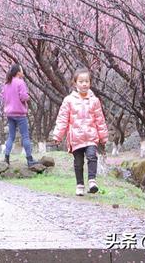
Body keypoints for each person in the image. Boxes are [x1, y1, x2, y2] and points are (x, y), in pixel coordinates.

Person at [51, 67, 109, 196]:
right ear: (75, 83)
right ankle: (80, 184)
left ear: (90, 83)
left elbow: (100, 120)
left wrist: (103, 136)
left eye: (87, 81)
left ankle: (92, 181)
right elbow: (62, 119)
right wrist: (57, 135)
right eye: (81, 81)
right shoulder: (68, 100)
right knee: (78, 163)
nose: (84, 84)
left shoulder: (94, 101)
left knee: (92, 156)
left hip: (91, 136)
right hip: (76, 138)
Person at [1, 64, 39, 166]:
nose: (23, 72)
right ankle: (30, 159)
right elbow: (23, 97)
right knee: (25, 136)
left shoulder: (6, 83)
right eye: (22, 70)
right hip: (20, 113)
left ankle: (6, 157)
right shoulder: (20, 82)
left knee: (11, 136)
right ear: (18, 72)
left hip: (9, 113)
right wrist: (27, 97)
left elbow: (4, 96)